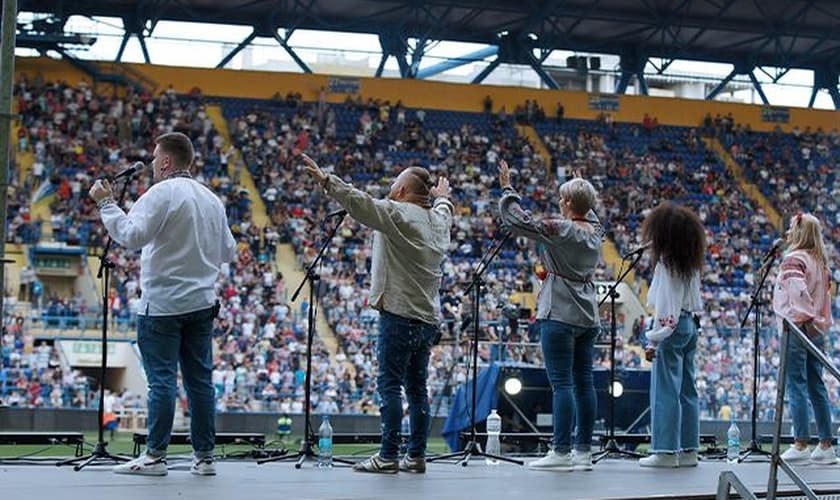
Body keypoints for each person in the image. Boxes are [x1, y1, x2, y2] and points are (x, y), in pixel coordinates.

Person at [89, 132, 236, 476]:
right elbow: (228, 251)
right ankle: (205, 458)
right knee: (200, 382)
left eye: (156, 157)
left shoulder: (161, 193)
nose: (154, 163)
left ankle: (155, 456)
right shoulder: (212, 199)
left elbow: (131, 236)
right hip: (201, 303)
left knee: (162, 382)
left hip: (163, 305)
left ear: (167, 161)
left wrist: (107, 204)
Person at [302, 154, 453, 474]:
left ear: (401, 191)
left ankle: (387, 456)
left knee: (390, 386)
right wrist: (443, 199)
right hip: (427, 318)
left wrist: (327, 180)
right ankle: (416, 456)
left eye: (394, 184)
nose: (390, 189)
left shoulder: (398, 214)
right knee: (417, 389)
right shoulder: (439, 221)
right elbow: (443, 211)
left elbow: (361, 203)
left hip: (399, 315)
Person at [497, 159, 603, 471]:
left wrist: (507, 187)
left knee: (562, 384)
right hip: (588, 315)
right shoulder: (596, 233)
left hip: (560, 311)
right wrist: (582, 186)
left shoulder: (561, 228)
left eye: (562, 198)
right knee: (585, 383)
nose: (558, 202)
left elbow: (518, 220)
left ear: (568, 203)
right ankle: (584, 450)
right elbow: (592, 215)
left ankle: (560, 451)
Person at [638, 202, 704, 468]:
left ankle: (665, 451)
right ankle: (689, 450)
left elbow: (667, 309)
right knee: (688, 390)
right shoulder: (690, 262)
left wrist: (654, 338)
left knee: (665, 390)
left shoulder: (667, 264)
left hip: (672, 328)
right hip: (690, 326)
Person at [772, 213, 836, 465]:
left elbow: (797, 292)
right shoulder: (820, 262)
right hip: (817, 331)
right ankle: (826, 444)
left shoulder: (794, 259)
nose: (788, 232)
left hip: (797, 328)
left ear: (799, 232)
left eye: (791, 228)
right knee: (816, 385)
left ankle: (800, 443)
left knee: (795, 384)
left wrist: (802, 318)